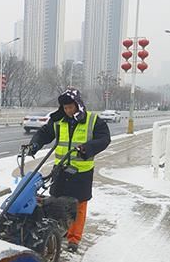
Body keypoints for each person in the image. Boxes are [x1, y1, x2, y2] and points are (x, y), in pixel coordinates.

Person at [24, 88, 111, 253]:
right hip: (61, 169)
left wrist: (86, 148)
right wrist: (34, 145)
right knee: (56, 201)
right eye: (65, 108)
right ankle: (58, 231)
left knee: (78, 205)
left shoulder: (92, 120)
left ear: (78, 105)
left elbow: (104, 139)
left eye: (71, 107)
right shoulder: (59, 121)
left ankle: (74, 239)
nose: (68, 111)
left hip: (82, 172)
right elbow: (44, 133)